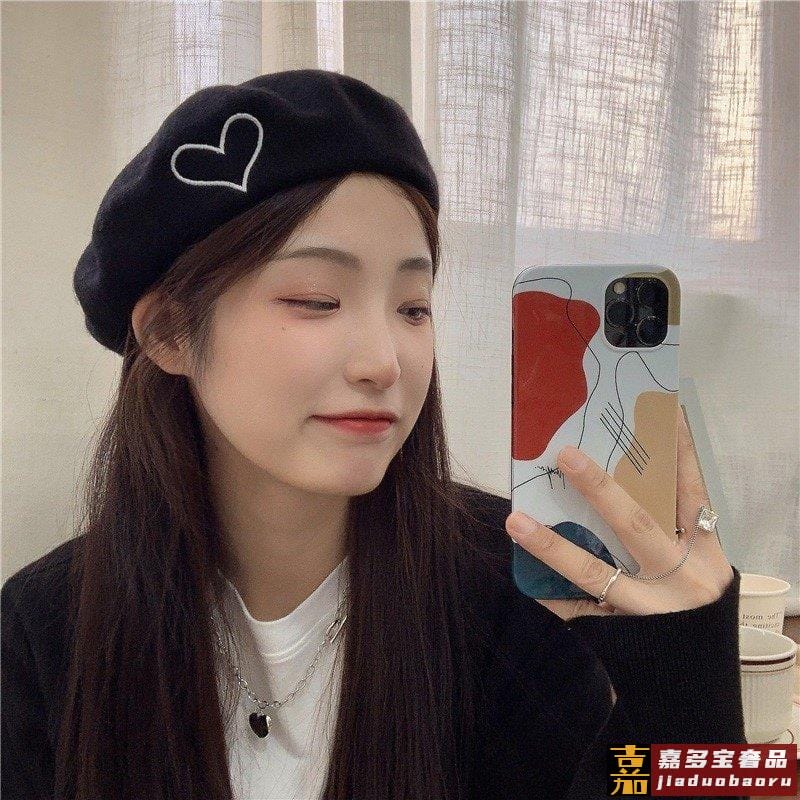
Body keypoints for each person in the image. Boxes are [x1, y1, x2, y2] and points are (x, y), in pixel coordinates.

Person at [1, 69, 747, 800]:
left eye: (413, 307)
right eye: (316, 299)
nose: (384, 362)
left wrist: (688, 695)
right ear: (169, 333)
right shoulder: (45, 631)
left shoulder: (520, 599)